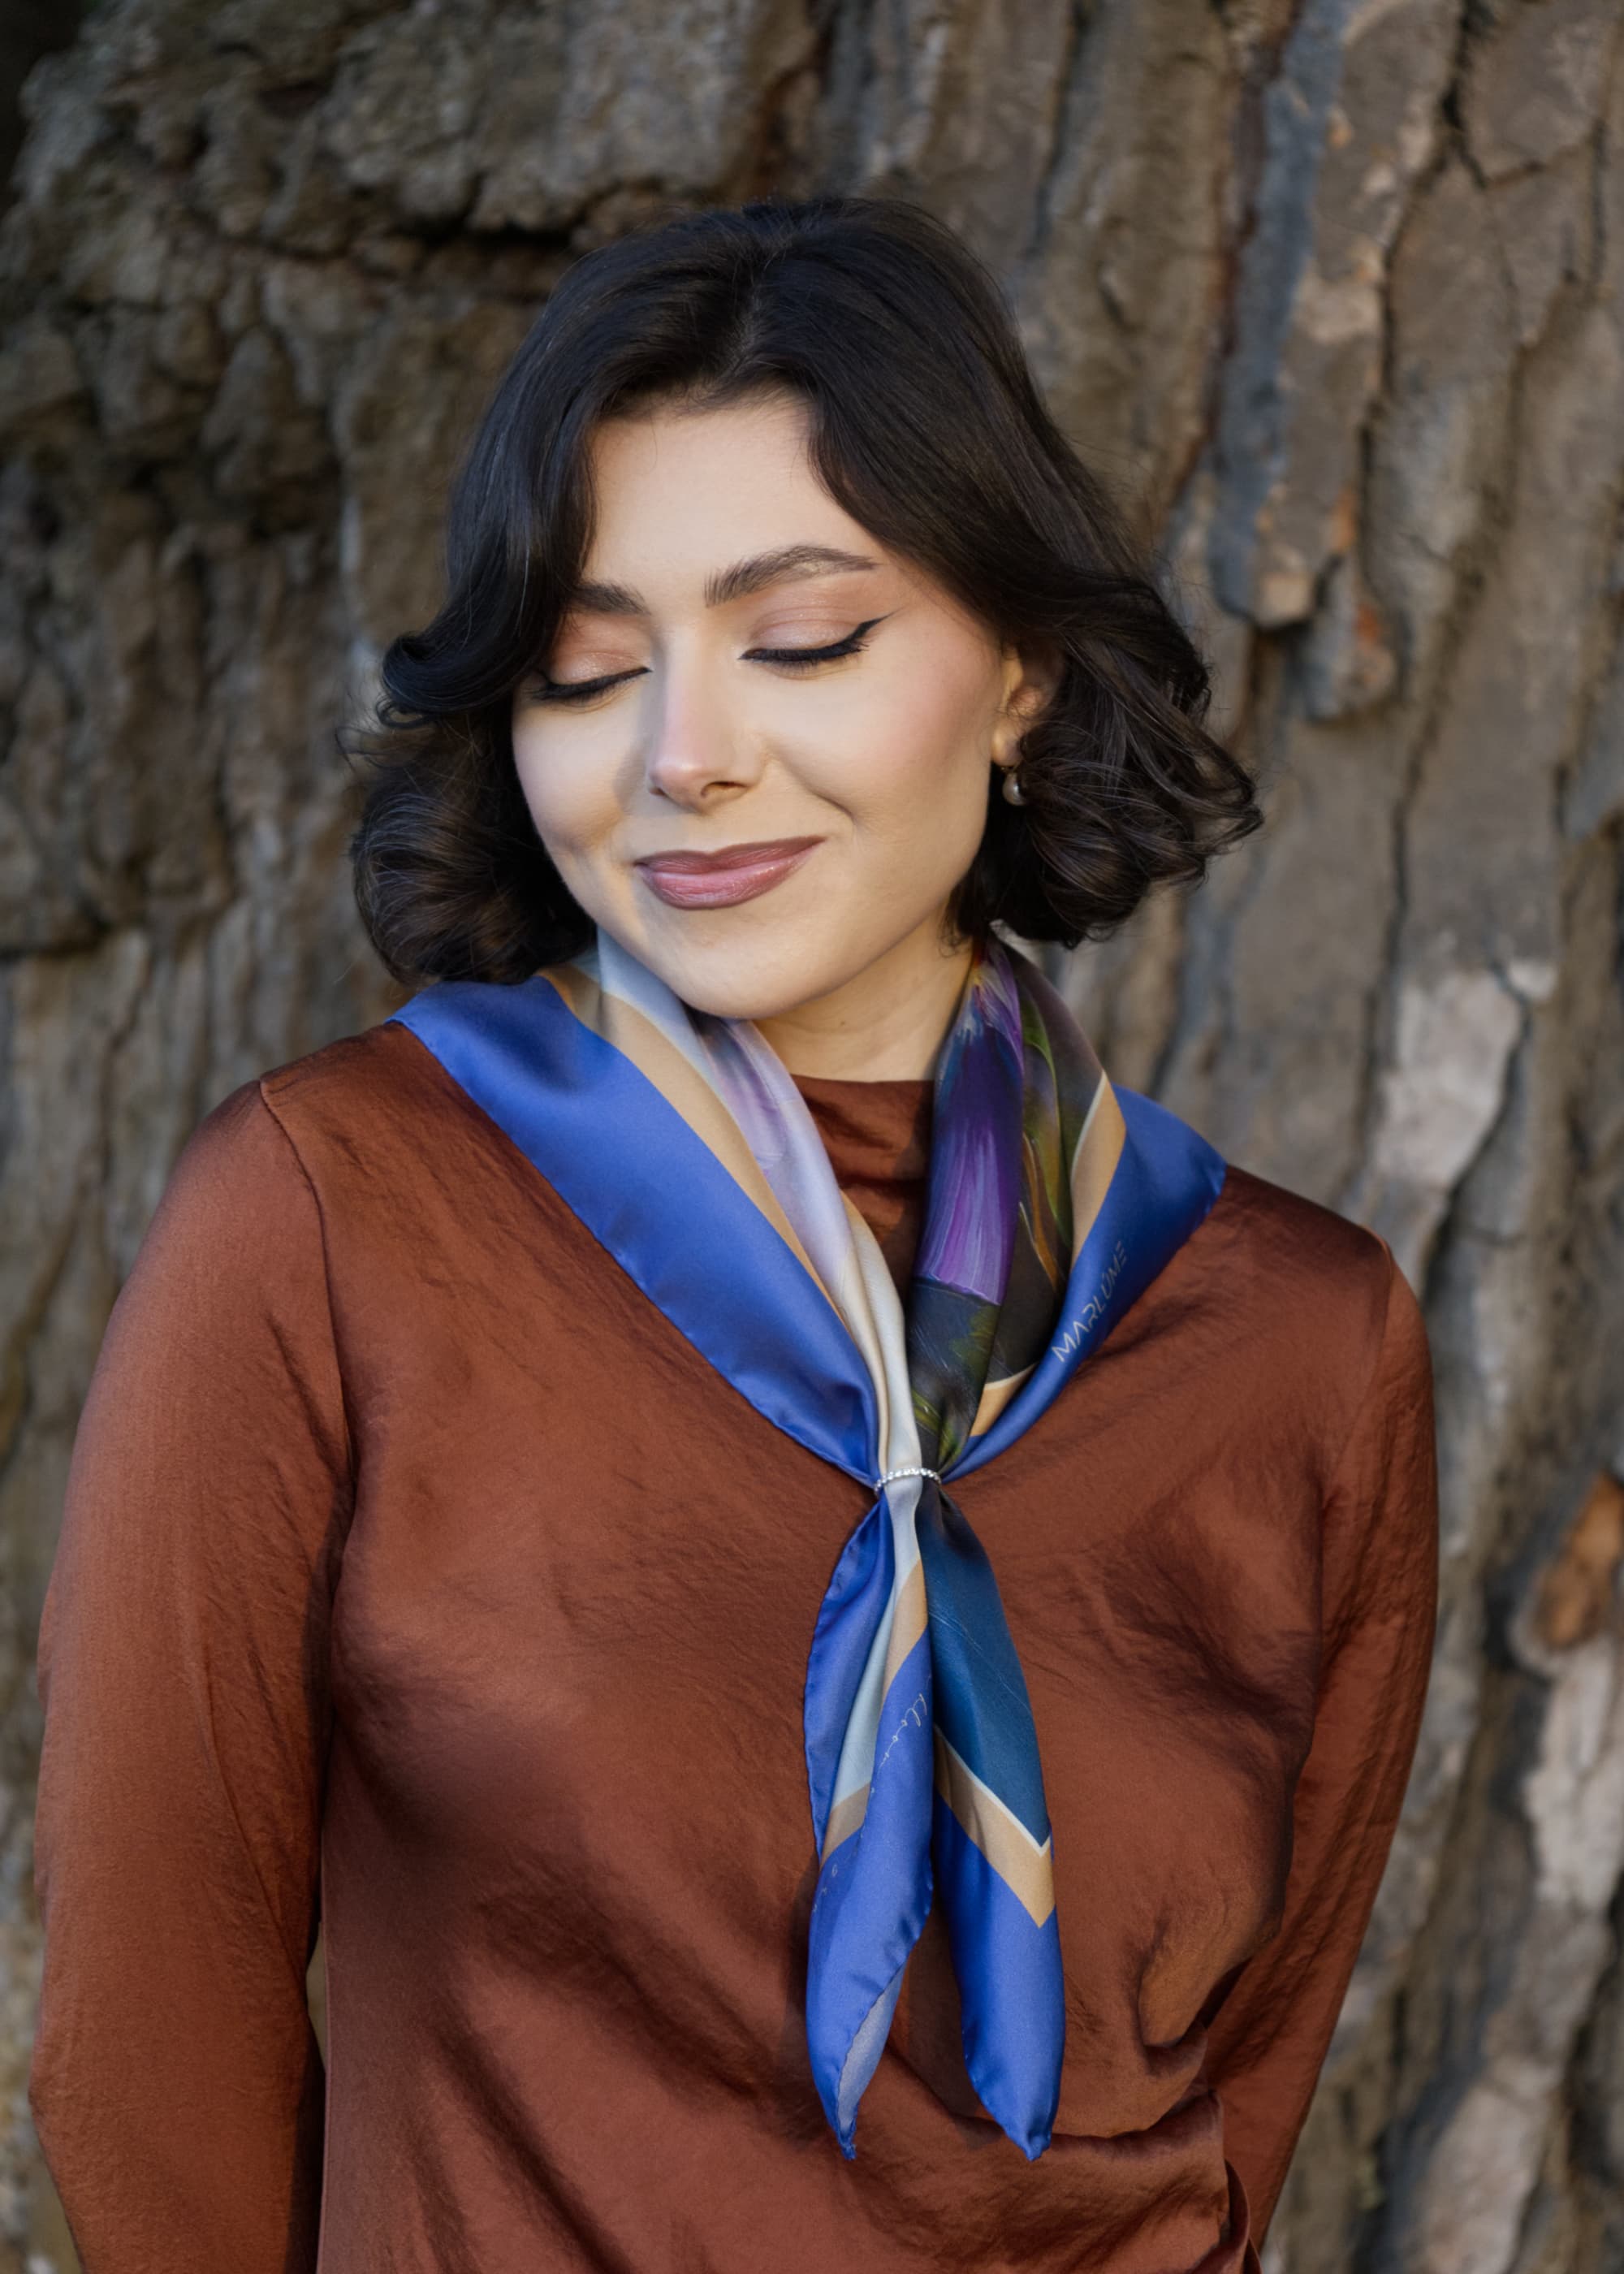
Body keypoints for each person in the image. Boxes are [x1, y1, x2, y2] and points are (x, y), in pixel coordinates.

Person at [28, 197, 1438, 2274]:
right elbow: (147, 2041)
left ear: (1021, 672)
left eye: (803, 640)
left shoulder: (1300, 1335)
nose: (682, 755)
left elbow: (1241, 2103)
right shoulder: (335, 1216)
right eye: (588, 668)